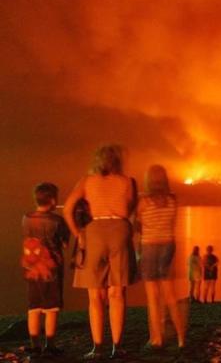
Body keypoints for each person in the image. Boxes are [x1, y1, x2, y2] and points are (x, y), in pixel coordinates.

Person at [63, 145, 137, 360]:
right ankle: (117, 346)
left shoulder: (87, 181)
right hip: (120, 231)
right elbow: (130, 208)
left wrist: (78, 234)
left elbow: (67, 208)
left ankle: (97, 347)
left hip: (94, 233)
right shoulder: (128, 181)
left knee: (95, 295)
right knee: (117, 292)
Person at [136, 165, 185, 349]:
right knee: (170, 295)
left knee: (152, 296)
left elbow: (138, 225)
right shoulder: (173, 200)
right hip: (168, 245)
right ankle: (181, 338)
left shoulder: (144, 202)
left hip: (149, 246)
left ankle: (157, 338)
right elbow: (173, 223)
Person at [22, 183, 70, 359]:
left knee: (34, 307)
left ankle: (34, 345)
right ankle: (50, 344)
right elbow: (64, 243)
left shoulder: (26, 218)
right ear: (52, 200)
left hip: (32, 269)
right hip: (51, 271)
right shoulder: (57, 221)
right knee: (51, 308)